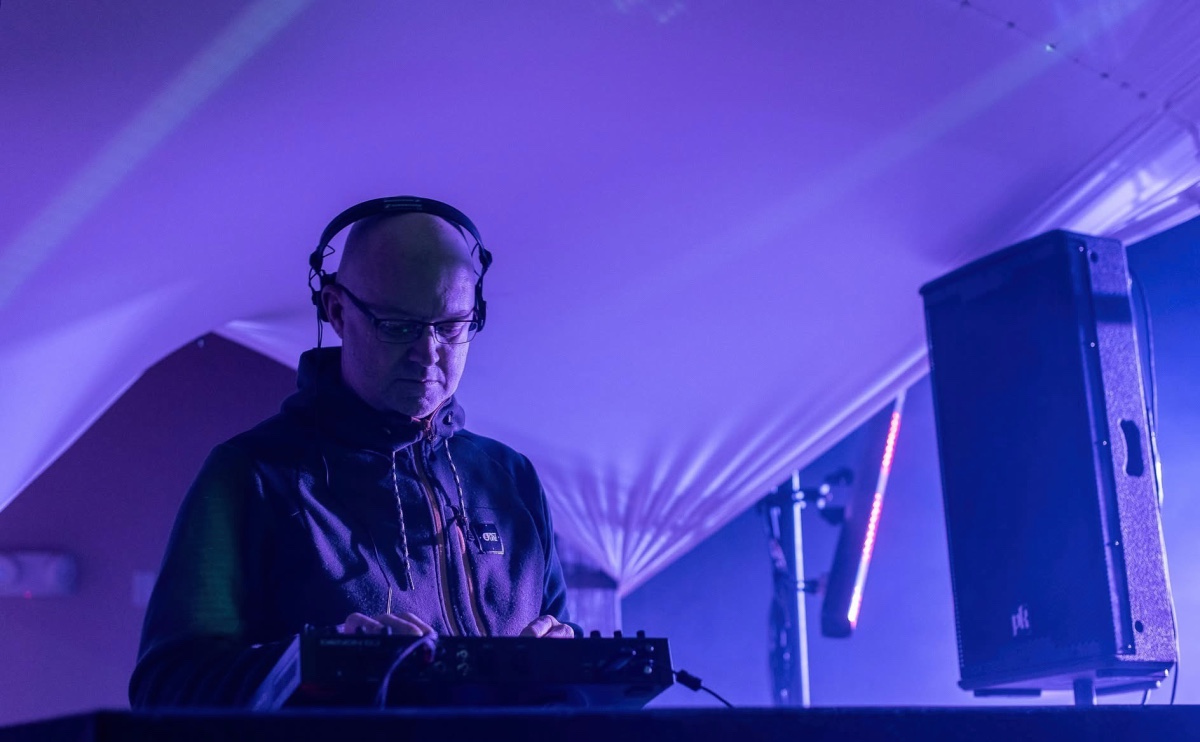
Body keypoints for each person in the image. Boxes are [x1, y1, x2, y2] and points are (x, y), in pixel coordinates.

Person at [129, 198, 575, 708]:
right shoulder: (251, 475)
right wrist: (325, 664)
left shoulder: (510, 478)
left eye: (452, 326)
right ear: (337, 311)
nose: (429, 353)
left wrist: (563, 660)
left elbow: (563, 647)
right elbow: (166, 689)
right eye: (398, 326)